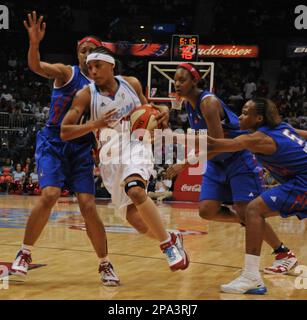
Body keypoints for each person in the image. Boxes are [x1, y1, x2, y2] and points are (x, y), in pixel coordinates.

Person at [11, 11, 119, 286]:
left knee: (87, 205)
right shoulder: (67, 73)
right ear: (78, 53)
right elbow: (37, 67)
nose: (87, 57)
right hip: (54, 142)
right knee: (50, 194)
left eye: (92, 53)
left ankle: (105, 264)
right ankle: (24, 253)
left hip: (81, 147)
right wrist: (34, 44)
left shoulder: (104, 87)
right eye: (83, 51)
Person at [61, 46, 189, 272]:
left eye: (97, 66)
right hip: (109, 155)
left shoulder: (132, 84)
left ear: (111, 65)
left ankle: (167, 246)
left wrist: (162, 112)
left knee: (136, 190)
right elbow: (65, 131)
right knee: (137, 222)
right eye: (89, 67)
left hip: (136, 144)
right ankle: (171, 236)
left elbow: (149, 109)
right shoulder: (86, 94)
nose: (92, 71)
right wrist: (95, 124)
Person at [166, 63, 297, 275]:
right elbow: (209, 145)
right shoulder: (187, 105)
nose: (177, 83)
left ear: (195, 82)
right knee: (207, 211)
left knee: (248, 210)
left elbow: (218, 144)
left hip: (238, 159)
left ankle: (284, 253)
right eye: (176, 79)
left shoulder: (208, 103)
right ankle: (246, 219)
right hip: (216, 163)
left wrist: (185, 162)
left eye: (182, 79)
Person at [207, 98, 307, 294]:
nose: (240, 115)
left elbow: (216, 144)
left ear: (258, 118)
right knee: (252, 210)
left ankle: (251, 277)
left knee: (253, 209)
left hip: (303, 182)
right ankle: (274, 260)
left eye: (245, 112)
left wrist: (169, 136)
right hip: (299, 181)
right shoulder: (284, 128)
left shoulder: (259, 139)